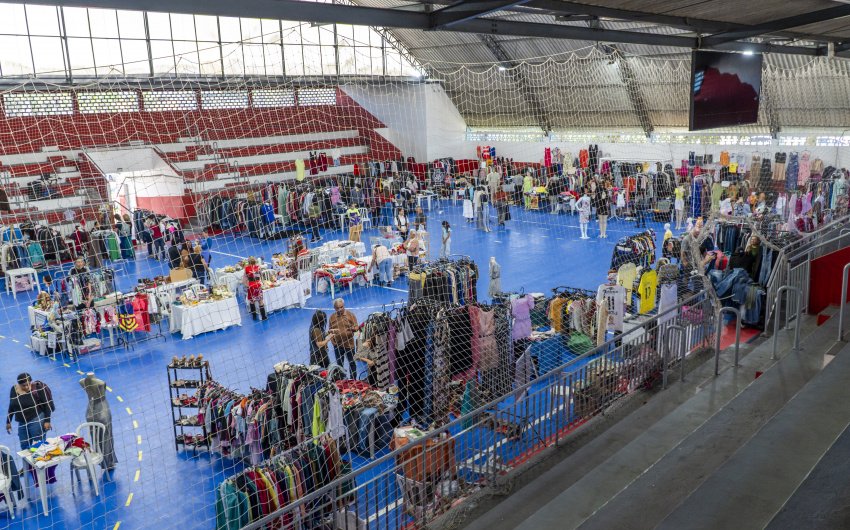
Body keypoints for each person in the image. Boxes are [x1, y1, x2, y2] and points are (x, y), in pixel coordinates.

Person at [6, 373, 52, 450]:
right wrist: (8, 421)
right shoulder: (13, 389)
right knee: (24, 446)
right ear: (19, 384)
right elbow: (11, 405)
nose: (26, 387)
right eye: (23, 385)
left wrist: (47, 421)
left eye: (28, 384)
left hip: (36, 419)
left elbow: (47, 405)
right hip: (22, 422)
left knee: (39, 445)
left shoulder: (37, 388)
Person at [328, 298, 358, 378]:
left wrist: (353, 329)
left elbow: (356, 327)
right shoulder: (332, 317)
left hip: (349, 345)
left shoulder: (351, 315)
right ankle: (342, 380)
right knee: (339, 364)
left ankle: (353, 380)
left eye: (341, 307)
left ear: (344, 306)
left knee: (352, 363)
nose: (340, 309)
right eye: (337, 308)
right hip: (338, 346)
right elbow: (330, 331)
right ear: (334, 308)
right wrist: (333, 343)